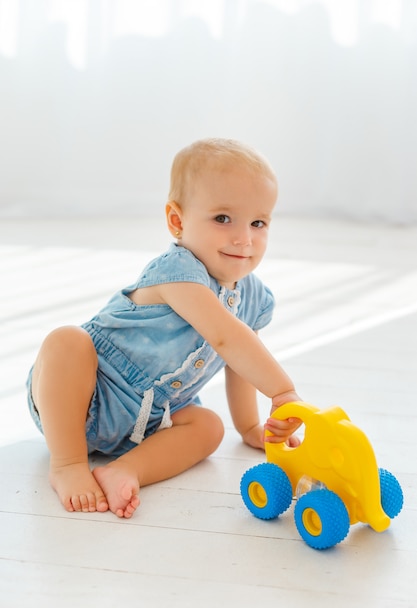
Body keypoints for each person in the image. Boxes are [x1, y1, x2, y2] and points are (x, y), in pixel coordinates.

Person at [26, 137, 303, 520]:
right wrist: (283, 391)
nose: (245, 238)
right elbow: (226, 336)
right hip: (85, 396)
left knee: (208, 427)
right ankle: (68, 463)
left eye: (259, 223)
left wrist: (252, 425)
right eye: (223, 219)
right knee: (66, 342)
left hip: (152, 420)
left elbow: (238, 358)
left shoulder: (254, 297)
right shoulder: (179, 271)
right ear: (177, 220)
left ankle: (127, 468)